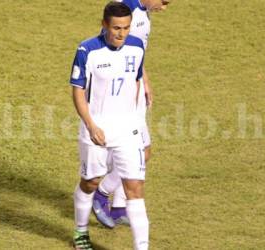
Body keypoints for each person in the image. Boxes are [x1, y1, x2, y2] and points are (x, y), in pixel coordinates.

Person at [70, 2, 149, 249]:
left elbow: (135, 81)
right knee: (91, 181)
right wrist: (91, 125)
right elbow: (78, 91)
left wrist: (136, 119)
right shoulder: (87, 50)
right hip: (97, 129)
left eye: (125, 28)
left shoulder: (136, 47)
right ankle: (81, 231)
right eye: (116, 28)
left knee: (134, 187)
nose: (121, 33)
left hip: (127, 130)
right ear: (104, 25)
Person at [92, 0, 171, 228]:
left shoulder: (142, 11)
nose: (164, 7)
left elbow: (135, 54)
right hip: (122, 98)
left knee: (136, 152)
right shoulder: (125, 10)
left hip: (132, 92)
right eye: (163, 2)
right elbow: (107, 48)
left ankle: (118, 207)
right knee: (141, 153)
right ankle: (100, 193)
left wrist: (144, 79)